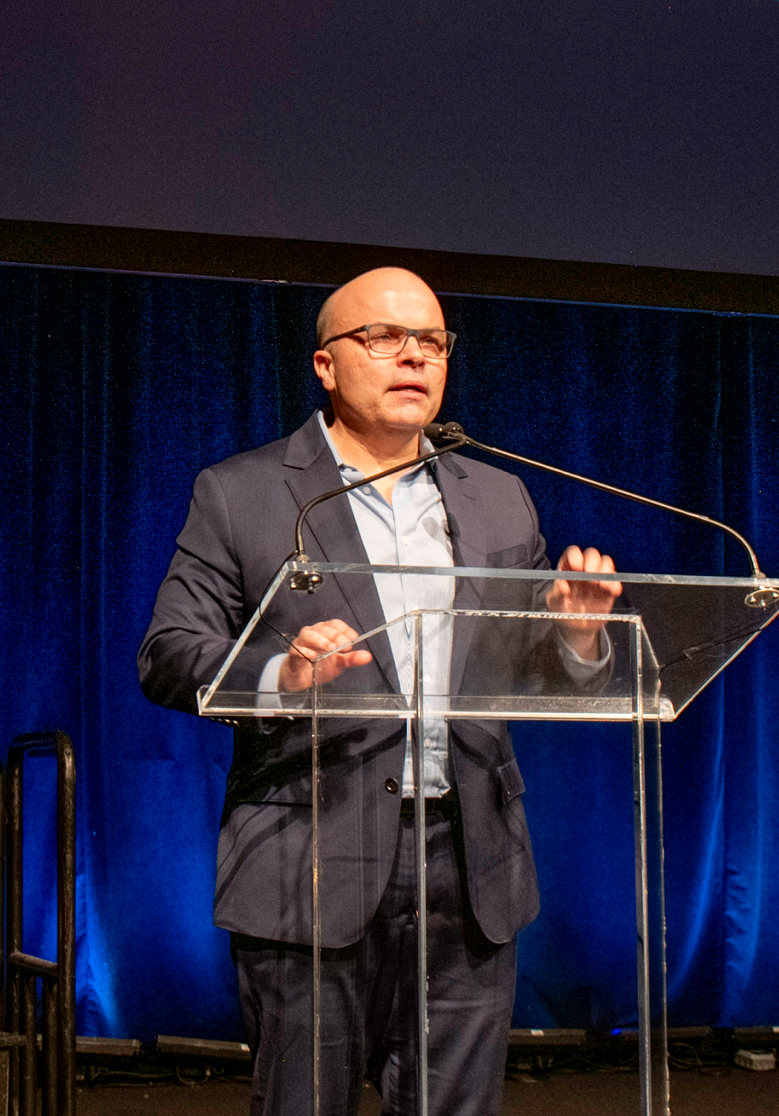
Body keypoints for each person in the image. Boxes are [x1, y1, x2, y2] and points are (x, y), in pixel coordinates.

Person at [139, 267, 621, 1116]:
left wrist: (579, 635)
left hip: (471, 864)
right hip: (311, 858)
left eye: (431, 341)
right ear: (325, 364)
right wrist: (281, 674)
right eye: (384, 338)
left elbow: (538, 670)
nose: (414, 357)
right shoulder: (244, 492)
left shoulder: (499, 497)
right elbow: (169, 653)